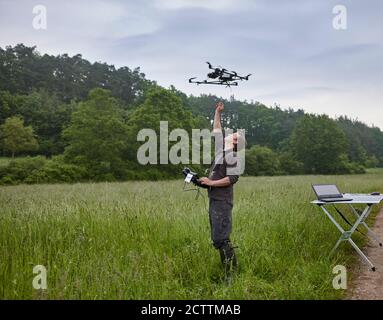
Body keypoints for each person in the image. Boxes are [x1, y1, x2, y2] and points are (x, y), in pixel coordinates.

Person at [199, 101, 244, 278]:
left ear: (234, 142)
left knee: (222, 239)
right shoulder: (221, 151)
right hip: (215, 201)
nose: (227, 134)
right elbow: (217, 129)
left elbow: (231, 179)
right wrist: (217, 112)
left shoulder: (232, 156)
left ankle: (231, 275)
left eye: (231, 134)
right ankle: (228, 270)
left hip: (222, 203)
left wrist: (210, 183)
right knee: (218, 239)